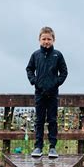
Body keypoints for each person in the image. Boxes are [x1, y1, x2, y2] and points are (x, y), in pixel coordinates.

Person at [26, 26, 68, 158]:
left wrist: (56, 83)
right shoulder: (35, 55)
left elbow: (64, 72)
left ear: (53, 40)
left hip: (53, 94)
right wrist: (34, 81)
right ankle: (38, 147)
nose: (46, 41)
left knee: (52, 120)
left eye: (49, 39)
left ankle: (52, 147)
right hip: (39, 93)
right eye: (43, 39)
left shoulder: (58, 55)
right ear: (39, 40)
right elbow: (29, 69)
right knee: (39, 120)